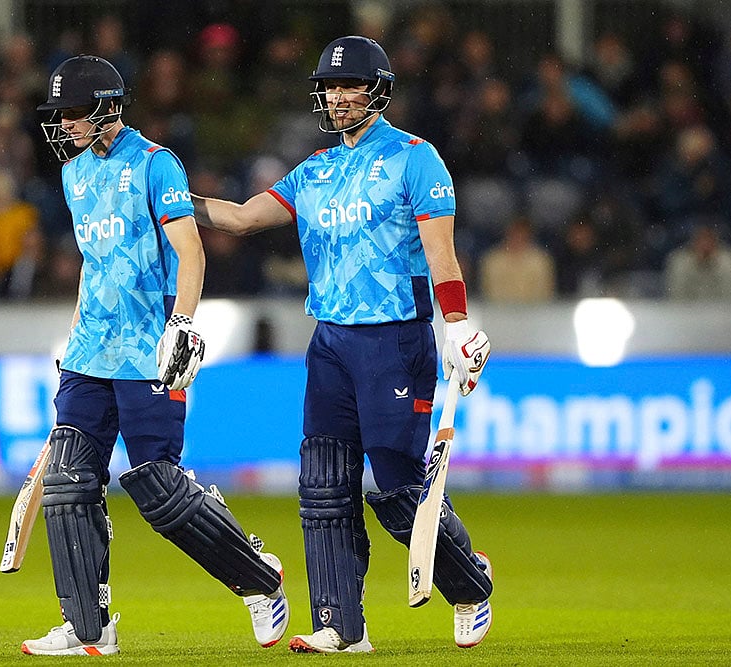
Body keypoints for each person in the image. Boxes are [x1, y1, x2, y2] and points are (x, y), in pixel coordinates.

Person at [191, 36, 494, 653]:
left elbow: (443, 255)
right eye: (328, 87)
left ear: (377, 91)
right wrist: (174, 202)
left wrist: (457, 324)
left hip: (396, 342)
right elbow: (245, 218)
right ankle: (339, 624)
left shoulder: (417, 159)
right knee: (323, 483)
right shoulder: (315, 170)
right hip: (329, 343)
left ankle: (468, 585)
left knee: (396, 485)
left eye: (346, 86)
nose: (335, 96)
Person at [19, 55, 289, 656]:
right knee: (68, 482)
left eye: (70, 114)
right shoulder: (73, 174)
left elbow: (190, 251)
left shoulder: (155, 163)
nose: (62, 125)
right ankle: (88, 629)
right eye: (57, 115)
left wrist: (184, 325)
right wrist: (71, 342)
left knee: (159, 489)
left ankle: (259, 578)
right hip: (89, 353)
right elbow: (96, 267)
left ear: (104, 108)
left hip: (148, 351)